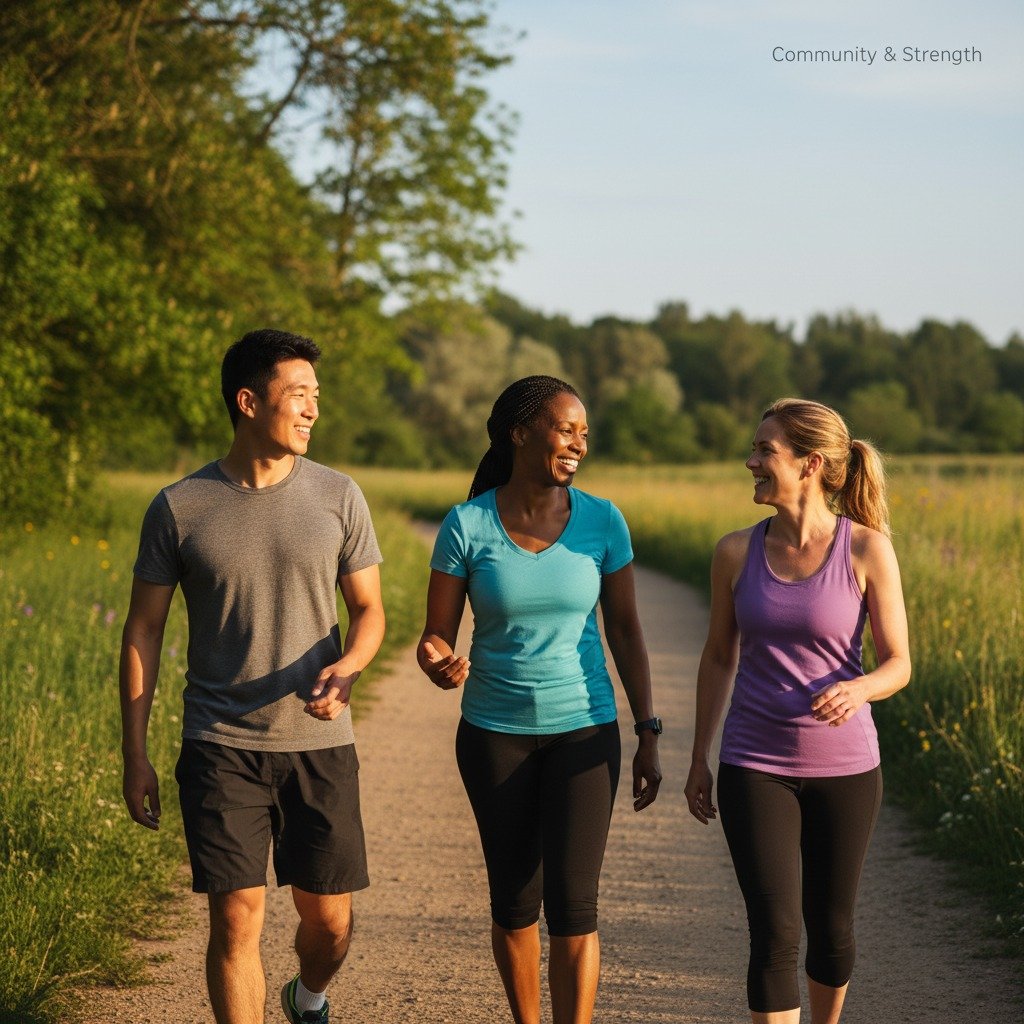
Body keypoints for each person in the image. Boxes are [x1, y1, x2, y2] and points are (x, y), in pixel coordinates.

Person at [119, 329, 386, 1024]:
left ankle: (309, 998)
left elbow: (369, 613)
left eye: (315, 398)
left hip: (318, 743)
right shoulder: (179, 507)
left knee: (329, 926)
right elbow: (142, 629)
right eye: (298, 396)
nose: (312, 412)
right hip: (219, 742)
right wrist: (136, 753)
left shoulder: (338, 496)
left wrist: (350, 669)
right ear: (248, 401)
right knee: (236, 923)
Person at [416, 375, 663, 1024]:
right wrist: (440, 662)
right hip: (494, 736)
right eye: (565, 428)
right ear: (519, 432)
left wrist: (649, 730)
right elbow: (435, 637)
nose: (579, 442)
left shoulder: (603, 521)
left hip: (584, 732)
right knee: (515, 900)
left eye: (585, 431)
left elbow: (628, 631)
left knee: (575, 906)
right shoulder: (467, 525)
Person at [684, 398, 911, 1024]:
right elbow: (717, 658)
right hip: (753, 764)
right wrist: (700, 757)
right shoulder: (734, 552)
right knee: (775, 935)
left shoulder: (867, 550)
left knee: (832, 930)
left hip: (847, 768)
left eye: (765, 451)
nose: (750, 461)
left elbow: (899, 663)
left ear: (810, 463)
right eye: (754, 449)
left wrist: (858, 689)